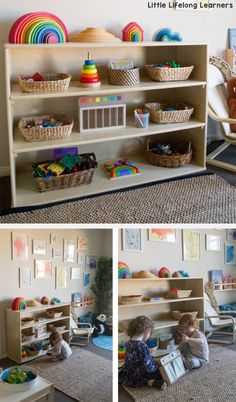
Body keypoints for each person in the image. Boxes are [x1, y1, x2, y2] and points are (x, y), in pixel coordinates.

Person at [119, 316, 166, 390]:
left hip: (129, 373)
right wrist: (157, 365)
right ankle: (149, 382)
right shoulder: (142, 345)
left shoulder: (129, 342)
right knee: (162, 371)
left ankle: (148, 381)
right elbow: (148, 368)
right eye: (150, 333)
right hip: (140, 374)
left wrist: (153, 360)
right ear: (146, 331)